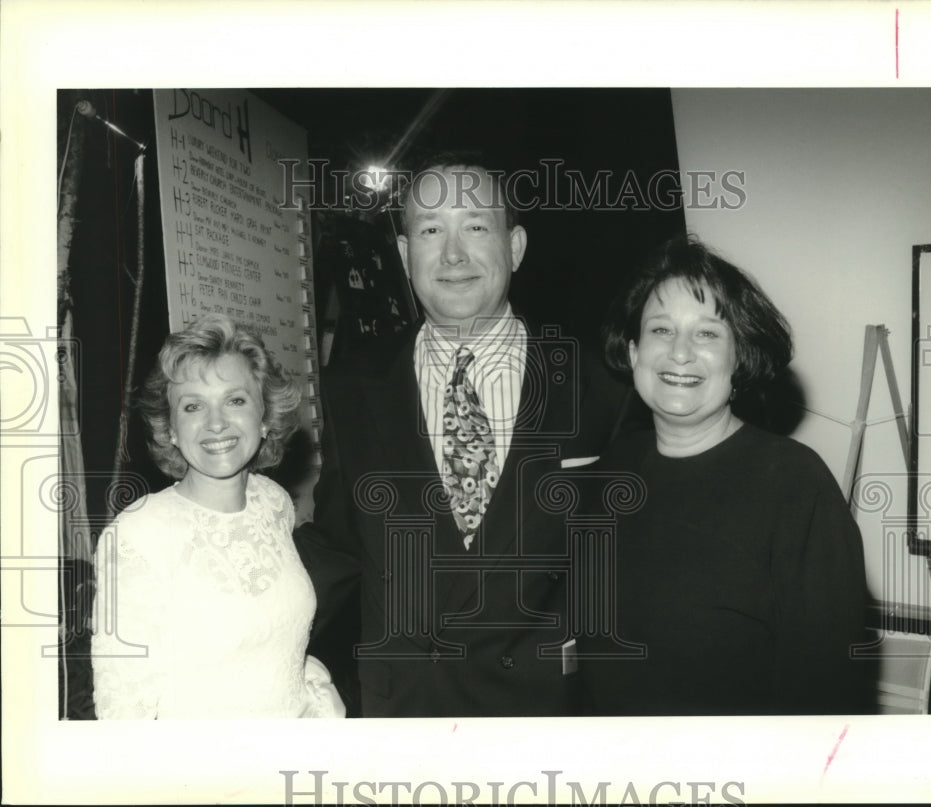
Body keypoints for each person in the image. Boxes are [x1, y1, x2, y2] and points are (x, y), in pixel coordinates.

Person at [295, 153, 633, 717]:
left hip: (546, 721)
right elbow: (339, 547)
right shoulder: (353, 386)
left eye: (476, 226)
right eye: (430, 230)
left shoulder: (601, 386)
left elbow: (637, 563)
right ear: (405, 254)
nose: (453, 254)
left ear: (516, 247)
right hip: (403, 719)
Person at [578, 234, 874, 715]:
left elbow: (826, 697)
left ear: (739, 359)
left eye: (708, 333)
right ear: (633, 352)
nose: (679, 353)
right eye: (660, 330)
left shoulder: (796, 487)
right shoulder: (612, 471)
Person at [91, 314, 345, 719]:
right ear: (171, 427)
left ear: (264, 416)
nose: (215, 423)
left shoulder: (273, 502)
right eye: (193, 406)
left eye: (236, 400)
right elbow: (123, 715)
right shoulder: (138, 535)